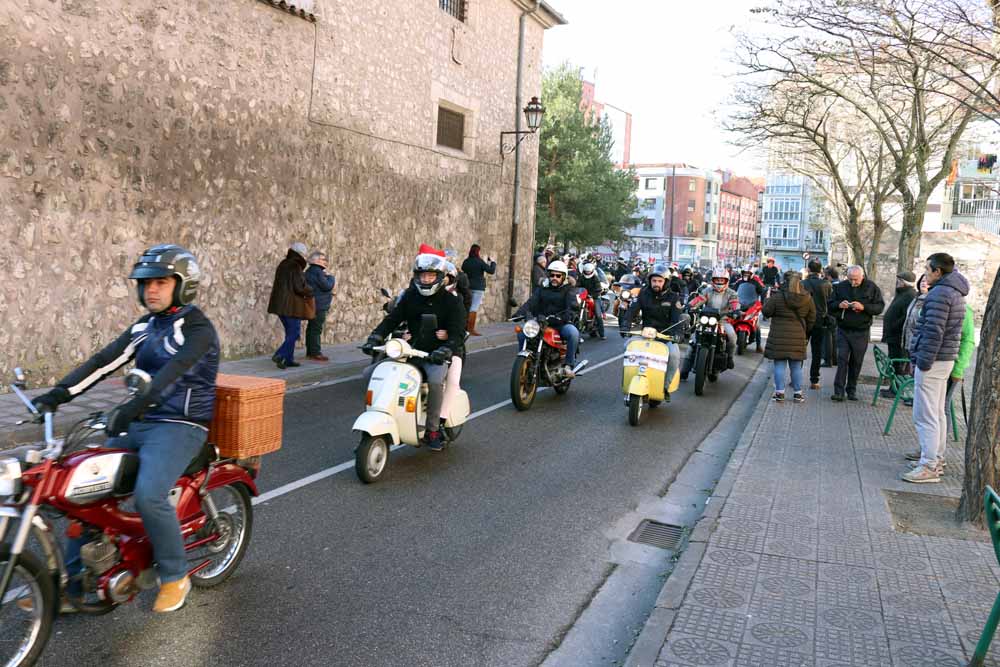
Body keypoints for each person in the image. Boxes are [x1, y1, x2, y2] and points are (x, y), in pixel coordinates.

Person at [30, 245, 219, 613]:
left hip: (179, 426)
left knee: (149, 494)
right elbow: (103, 363)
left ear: (182, 285)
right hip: (141, 421)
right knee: (80, 488)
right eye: (146, 283)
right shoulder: (144, 327)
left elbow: (173, 373)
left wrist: (132, 407)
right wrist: (56, 395)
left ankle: (175, 575)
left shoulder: (198, 328)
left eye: (161, 282)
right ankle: (74, 585)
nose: (151, 290)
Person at [363, 252, 465, 452]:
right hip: (411, 351)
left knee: (436, 382)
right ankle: (384, 414)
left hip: (436, 356)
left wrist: (446, 348)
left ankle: (433, 431)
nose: (425, 279)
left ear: (439, 277)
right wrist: (375, 336)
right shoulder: (411, 296)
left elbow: (458, 332)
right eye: (422, 275)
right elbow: (392, 319)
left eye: (430, 276)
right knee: (371, 373)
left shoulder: (452, 302)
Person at [902, 253, 969, 483]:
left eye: (928, 269)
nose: (925, 273)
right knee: (937, 412)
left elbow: (933, 331)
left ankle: (929, 465)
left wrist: (922, 361)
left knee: (926, 414)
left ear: (938, 271)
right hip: (944, 359)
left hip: (933, 359)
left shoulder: (940, 293)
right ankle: (935, 459)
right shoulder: (954, 291)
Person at [621, 263, 687, 401]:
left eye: (660, 281)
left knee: (674, 355)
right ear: (650, 281)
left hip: (666, 335)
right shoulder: (643, 294)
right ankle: (629, 382)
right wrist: (626, 325)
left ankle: (665, 386)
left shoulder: (673, 298)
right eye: (654, 280)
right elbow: (632, 311)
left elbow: (677, 319)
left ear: (666, 282)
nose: (656, 283)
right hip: (646, 334)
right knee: (627, 347)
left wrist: (678, 334)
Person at [513, 260, 581, 378]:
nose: (554, 278)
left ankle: (569, 365)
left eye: (558, 275)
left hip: (560, 323)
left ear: (563, 277)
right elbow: (531, 302)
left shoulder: (569, 289)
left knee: (573, 332)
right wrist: (519, 313)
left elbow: (572, 306)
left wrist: (566, 315)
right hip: (540, 322)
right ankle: (524, 362)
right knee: (522, 334)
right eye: (552, 275)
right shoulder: (542, 288)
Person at [828, 265, 884, 402]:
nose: (853, 283)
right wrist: (839, 305)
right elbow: (829, 305)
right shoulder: (840, 287)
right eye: (850, 279)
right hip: (843, 329)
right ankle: (838, 391)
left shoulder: (871, 287)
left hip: (861, 331)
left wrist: (864, 307)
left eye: (856, 280)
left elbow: (879, 307)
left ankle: (851, 390)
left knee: (856, 361)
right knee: (842, 360)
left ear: (862, 277)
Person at [763, 272, 816, 403]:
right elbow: (812, 318)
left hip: (778, 336)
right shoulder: (807, 298)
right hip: (798, 335)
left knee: (779, 365)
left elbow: (766, 312)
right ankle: (798, 394)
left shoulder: (777, 297)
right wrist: (805, 332)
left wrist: (767, 299)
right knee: (796, 366)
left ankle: (779, 393)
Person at [267, 242, 313, 369]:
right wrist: (310, 289)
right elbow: (299, 287)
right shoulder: (295, 266)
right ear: (300, 254)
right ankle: (280, 354)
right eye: (304, 254)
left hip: (280, 305)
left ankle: (288, 359)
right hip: (292, 306)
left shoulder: (283, 264)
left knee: (290, 333)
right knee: (294, 333)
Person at [688, 268, 740, 370]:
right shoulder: (707, 290)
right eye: (717, 280)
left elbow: (734, 303)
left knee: (732, 337)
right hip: (705, 320)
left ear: (727, 281)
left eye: (722, 280)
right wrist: (690, 305)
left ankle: (730, 357)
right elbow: (699, 299)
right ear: (713, 280)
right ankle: (684, 370)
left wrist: (735, 310)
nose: (719, 282)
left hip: (722, 320)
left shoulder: (731, 293)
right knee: (692, 341)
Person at [879, 271, 918, 395]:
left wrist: (893, 325)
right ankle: (893, 387)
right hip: (893, 336)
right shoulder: (902, 293)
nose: (897, 283)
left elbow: (906, 317)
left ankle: (895, 390)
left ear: (905, 283)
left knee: (898, 364)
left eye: (900, 281)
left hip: (898, 337)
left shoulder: (910, 295)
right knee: (894, 362)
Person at [801, 260, 833, 390]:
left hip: (804, 320)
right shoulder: (826, 284)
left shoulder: (802, 283)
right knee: (817, 351)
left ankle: (796, 377)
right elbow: (830, 302)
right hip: (820, 320)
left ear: (808, 270)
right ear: (820, 271)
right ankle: (814, 380)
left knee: (800, 349)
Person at [304, 251, 335, 362]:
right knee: (316, 329)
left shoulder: (309, 272)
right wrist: (331, 278)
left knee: (312, 328)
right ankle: (315, 353)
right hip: (319, 305)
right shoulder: (318, 272)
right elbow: (327, 286)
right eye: (323, 259)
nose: (325, 261)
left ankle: (310, 351)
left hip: (313, 303)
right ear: (315, 260)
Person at [460, 244, 496, 336]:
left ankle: (464, 328)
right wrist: (493, 262)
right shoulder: (479, 262)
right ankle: (470, 330)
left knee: (466, 307)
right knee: (474, 308)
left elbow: (463, 269)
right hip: (478, 288)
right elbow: (491, 271)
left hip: (467, 287)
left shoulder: (466, 261)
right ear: (478, 252)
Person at [577, 261, 607, 339]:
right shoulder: (581, 277)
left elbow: (598, 289)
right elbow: (578, 286)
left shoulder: (595, 278)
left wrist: (593, 295)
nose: (587, 273)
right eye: (586, 272)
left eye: (589, 272)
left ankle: (602, 334)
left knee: (598, 314)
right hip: (583, 296)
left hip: (594, 297)